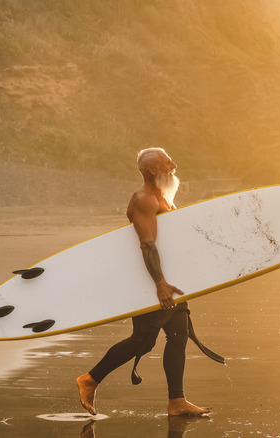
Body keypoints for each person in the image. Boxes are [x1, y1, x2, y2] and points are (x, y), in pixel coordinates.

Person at [76, 147, 222, 416]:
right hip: (153, 282)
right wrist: (160, 283)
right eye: (168, 162)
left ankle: (177, 402)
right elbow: (147, 245)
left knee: (179, 336)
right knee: (142, 341)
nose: (174, 165)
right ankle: (90, 379)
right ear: (153, 169)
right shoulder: (144, 200)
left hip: (171, 281)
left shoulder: (162, 198)